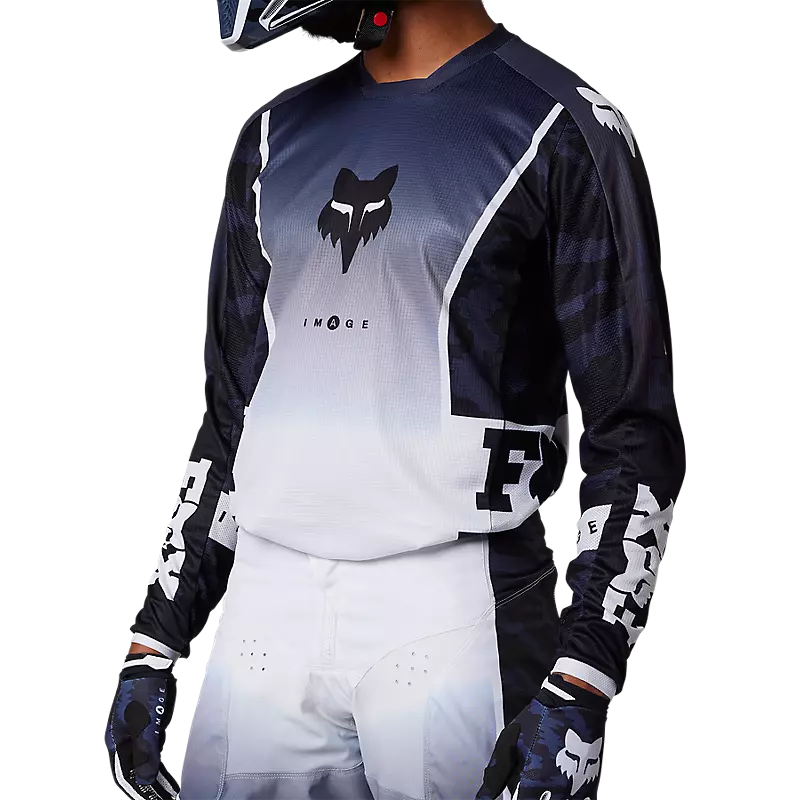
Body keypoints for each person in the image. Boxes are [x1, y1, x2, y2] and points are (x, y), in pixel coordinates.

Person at [104, 1, 686, 798]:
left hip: (456, 612)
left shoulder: (561, 128)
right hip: (265, 615)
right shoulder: (271, 137)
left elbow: (632, 429)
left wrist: (586, 672)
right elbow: (233, 413)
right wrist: (155, 639)